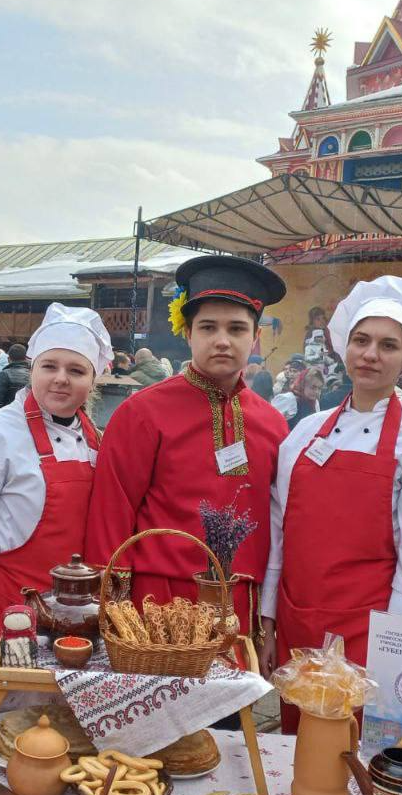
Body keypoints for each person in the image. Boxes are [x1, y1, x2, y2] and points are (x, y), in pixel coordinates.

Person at [259, 277, 402, 689]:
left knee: (349, 748)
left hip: (368, 638)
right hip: (297, 624)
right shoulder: (302, 434)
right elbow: (278, 534)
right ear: (344, 347)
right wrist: (268, 618)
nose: (370, 354)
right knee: (296, 745)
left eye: (388, 345)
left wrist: (397, 660)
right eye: (361, 340)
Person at [86, 255, 289, 639]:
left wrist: (268, 614)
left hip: (239, 600)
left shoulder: (274, 424)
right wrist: (114, 603)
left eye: (237, 328)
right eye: (208, 327)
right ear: (189, 333)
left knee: (234, 701)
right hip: (157, 596)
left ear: (255, 337)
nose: (223, 340)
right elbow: (111, 509)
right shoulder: (142, 412)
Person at [0, 303, 113, 665]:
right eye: (49, 366)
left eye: (76, 370)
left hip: (75, 618)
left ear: (93, 380)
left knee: (58, 716)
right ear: (32, 369)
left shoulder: (98, 440)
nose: (61, 378)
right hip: (8, 611)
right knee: (2, 714)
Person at [0, 343, 31, 411]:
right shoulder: (32, 374)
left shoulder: (4, 374)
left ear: (8, 359)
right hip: (29, 416)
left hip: (9, 415)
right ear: (26, 358)